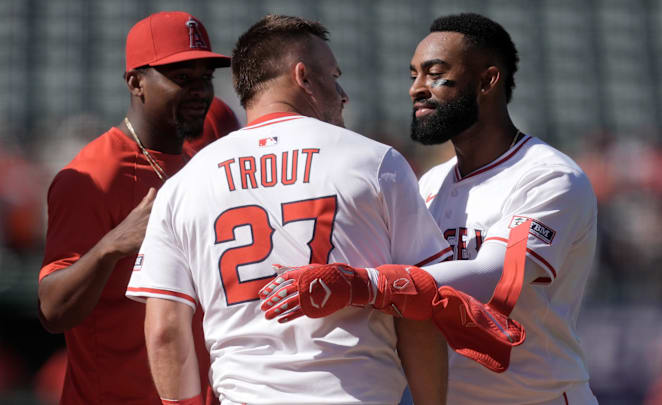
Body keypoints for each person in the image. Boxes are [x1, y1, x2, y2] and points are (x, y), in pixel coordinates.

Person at [261, 13, 598, 405]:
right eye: (412, 75)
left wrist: (360, 284)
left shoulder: (549, 176)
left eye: (434, 73)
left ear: (488, 81)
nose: (416, 89)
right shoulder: (429, 183)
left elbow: (492, 277)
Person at [125, 14, 455, 405]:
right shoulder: (376, 162)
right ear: (303, 76)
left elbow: (165, 329)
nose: (342, 93)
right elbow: (419, 307)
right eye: (333, 76)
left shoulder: (184, 184)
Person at [37, 11, 239, 404]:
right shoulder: (95, 175)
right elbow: (52, 311)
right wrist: (112, 244)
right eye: (181, 78)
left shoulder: (205, 146)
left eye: (205, 78)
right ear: (136, 83)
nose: (198, 90)